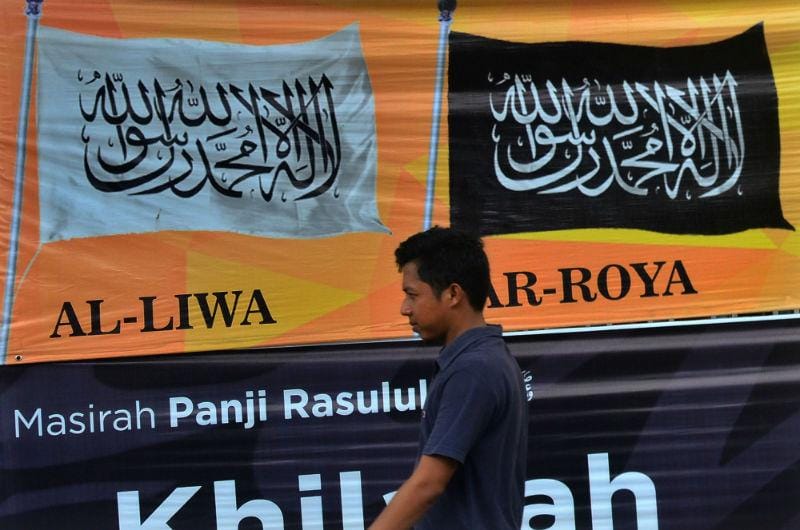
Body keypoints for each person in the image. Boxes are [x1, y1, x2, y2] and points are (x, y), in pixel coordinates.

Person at [369, 227, 528, 530]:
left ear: (453, 294)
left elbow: (428, 484)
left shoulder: (473, 370)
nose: (404, 309)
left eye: (412, 295)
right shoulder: (484, 360)